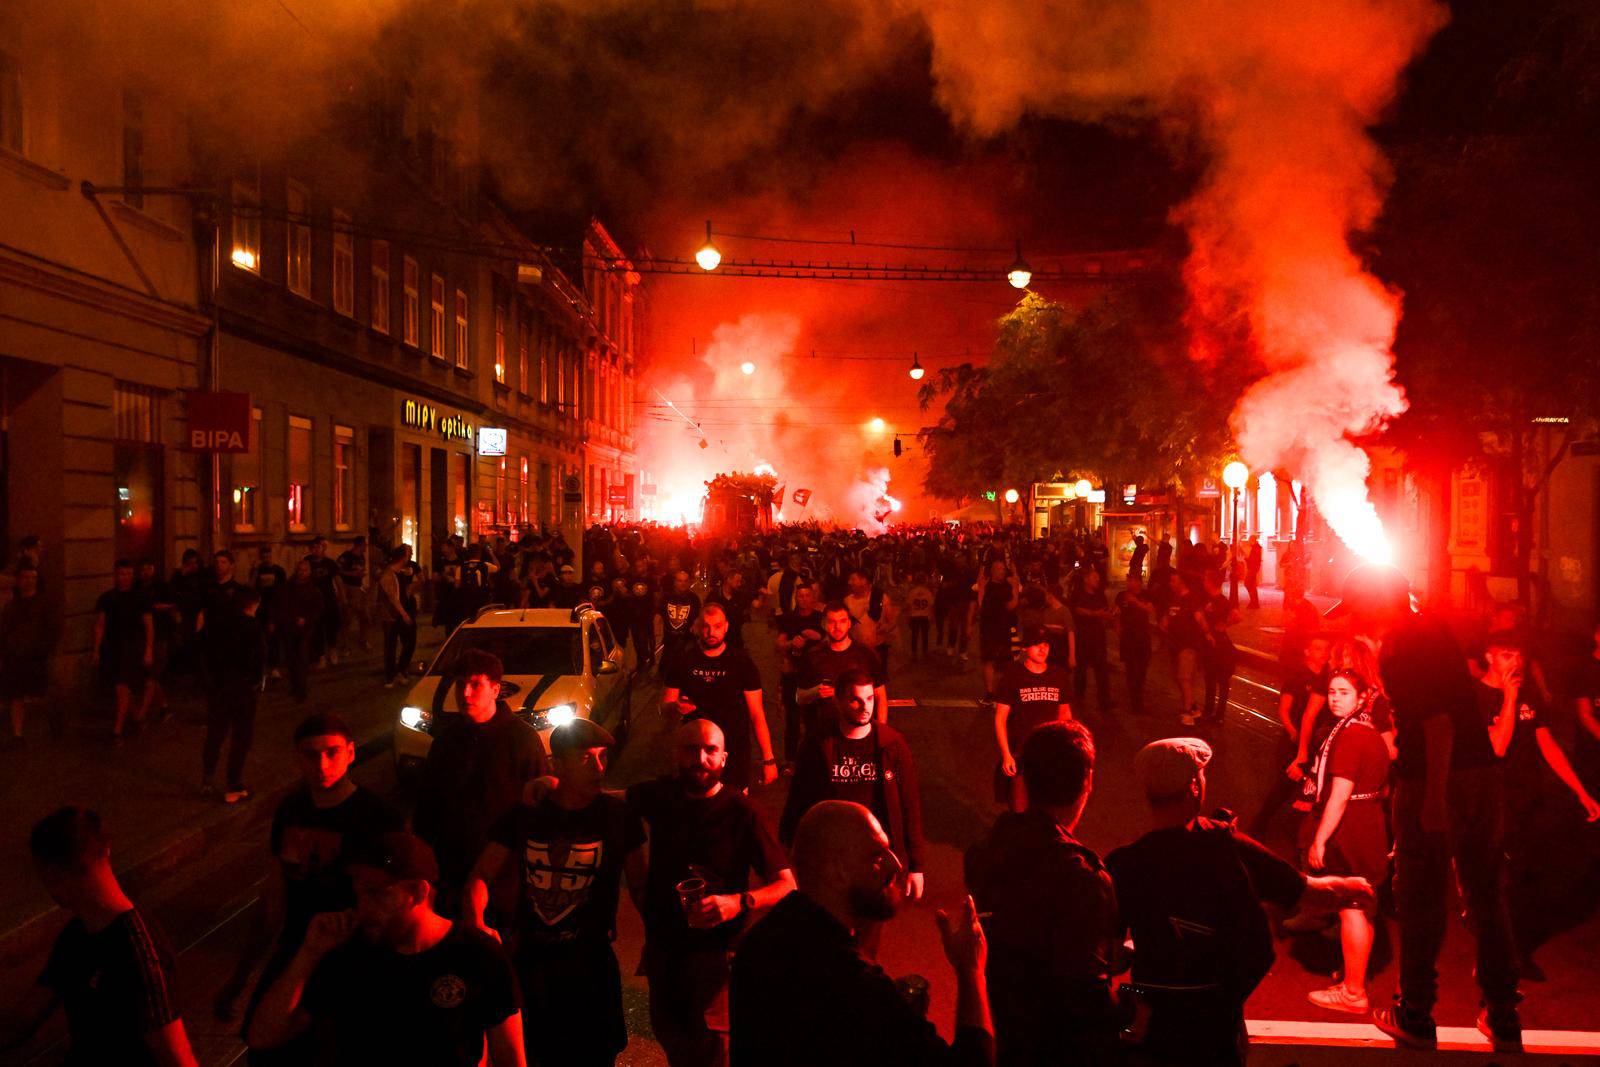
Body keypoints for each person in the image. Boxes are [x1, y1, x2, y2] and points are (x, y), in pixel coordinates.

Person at [1329, 564, 1521, 1052]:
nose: (1358, 623)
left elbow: (1435, 724)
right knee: (1486, 896)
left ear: (1377, 603)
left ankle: (1415, 1012)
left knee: (1419, 900)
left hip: (1437, 780)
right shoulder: (1433, 629)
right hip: (1481, 776)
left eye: (1360, 610)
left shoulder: (1400, 647)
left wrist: (1433, 800)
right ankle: (1502, 1014)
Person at [1107, 738, 1374, 1066]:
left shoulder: (1124, 864)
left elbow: (1111, 955)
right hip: (1217, 1020)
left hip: (1154, 1025)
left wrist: (1147, 942)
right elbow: (1308, 892)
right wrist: (1349, 886)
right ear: (1194, 786)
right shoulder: (1228, 846)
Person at [729, 801, 994, 1067]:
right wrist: (970, 970)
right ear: (837, 873)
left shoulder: (757, 944)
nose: (896, 865)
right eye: (877, 857)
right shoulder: (856, 986)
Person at [214, 714, 402, 1061]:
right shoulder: (291, 810)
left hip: (353, 960)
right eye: (310, 755)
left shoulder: (378, 817)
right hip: (297, 950)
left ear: (350, 753)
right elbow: (273, 899)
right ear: (297, 758)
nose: (322, 764)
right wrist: (240, 977)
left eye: (332, 752)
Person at [246, 832, 525, 1066]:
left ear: (418, 892)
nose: (363, 906)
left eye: (377, 894)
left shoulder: (477, 955)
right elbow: (263, 1036)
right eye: (359, 893)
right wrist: (308, 955)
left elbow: (511, 1058)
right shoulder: (350, 954)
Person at [466, 718, 646, 1067]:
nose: (598, 767)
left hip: (590, 961)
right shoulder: (527, 814)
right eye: (585, 758)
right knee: (537, 1053)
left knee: (595, 1054)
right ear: (557, 764)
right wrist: (476, 922)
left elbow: (639, 885)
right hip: (534, 961)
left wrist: (658, 937)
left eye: (602, 757)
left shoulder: (618, 816)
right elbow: (481, 874)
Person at [627, 720, 796, 1067]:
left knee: (711, 1050)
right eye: (691, 749)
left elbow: (787, 885)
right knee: (671, 1037)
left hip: (716, 954)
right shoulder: (661, 795)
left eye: (710, 750)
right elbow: (607, 799)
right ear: (677, 753)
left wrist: (739, 902)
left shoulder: (742, 811)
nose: (700, 759)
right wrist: (549, 785)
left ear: (724, 758)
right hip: (665, 948)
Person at [966, 721, 1119, 1066]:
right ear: (1087, 782)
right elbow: (1084, 992)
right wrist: (1131, 1008)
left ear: (1026, 779)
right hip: (1057, 1048)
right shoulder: (1083, 877)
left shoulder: (984, 853)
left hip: (1003, 1033)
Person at [5, 807, 198, 1065]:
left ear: (51, 875)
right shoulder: (78, 933)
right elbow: (26, 1017)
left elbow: (177, 1059)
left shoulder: (140, 953)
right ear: (105, 852)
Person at [1475, 630, 1600, 979]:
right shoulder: (1476, 697)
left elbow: (1547, 745)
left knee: (1525, 882)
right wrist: (1509, 700)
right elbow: (1496, 748)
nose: (1514, 663)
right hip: (1493, 803)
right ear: (1489, 657)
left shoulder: (1528, 693)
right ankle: (1493, 957)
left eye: (1518, 656)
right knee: (1498, 883)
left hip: (1528, 801)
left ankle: (1511, 952)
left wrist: (1581, 791)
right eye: (1505, 655)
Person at [414, 649, 551, 909]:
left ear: (495, 689)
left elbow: (537, 810)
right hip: (450, 872)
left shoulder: (521, 740)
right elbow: (427, 805)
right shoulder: (446, 739)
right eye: (460, 684)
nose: (465, 693)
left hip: (503, 876)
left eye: (475, 684)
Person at [780, 668, 927, 906]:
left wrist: (916, 866)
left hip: (876, 857)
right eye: (855, 700)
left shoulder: (892, 744)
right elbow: (798, 798)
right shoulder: (817, 744)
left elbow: (910, 805)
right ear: (838, 701)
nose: (865, 707)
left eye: (869, 698)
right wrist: (787, 851)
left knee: (868, 931)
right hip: (831, 856)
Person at [1301, 669, 1392, 1014]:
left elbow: (1339, 794)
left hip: (1351, 827)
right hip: (1369, 821)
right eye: (1332, 691)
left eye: (1344, 692)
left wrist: (1319, 840)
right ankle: (1354, 978)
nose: (1336, 698)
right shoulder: (1369, 732)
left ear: (1362, 696)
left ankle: (1353, 993)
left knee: (1351, 907)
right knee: (1362, 906)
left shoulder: (1351, 736)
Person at [664, 604, 779, 792]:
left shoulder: (741, 661)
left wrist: (769, 759)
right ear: (697, 627)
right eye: (706, 626)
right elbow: (665, 707)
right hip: (696, 753)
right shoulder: (683, 661)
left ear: (726, 627)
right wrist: (674, 707)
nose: (711, 632)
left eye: (717, 626)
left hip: (734, 752)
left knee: (735, 809)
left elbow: (757, 713)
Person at [1247, 634, 1332, 839]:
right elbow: (1284, 710)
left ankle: (1299, 830)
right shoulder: (1298, 676)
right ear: (1307, 652)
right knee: (1284, 785)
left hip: (1317, 741)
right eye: (1318, 648)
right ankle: (1260, 822)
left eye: (1326, 649)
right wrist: (1293, 731)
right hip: (1295, 740)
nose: (1324, 653)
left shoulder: (1329, 677)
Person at [990, 626, 1073, 812]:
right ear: (1026, 648)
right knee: (1019, 811)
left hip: (1048, 754)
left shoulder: (1058, 675)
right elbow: (1000, 718)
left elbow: (1065, 715)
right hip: (1020, 754)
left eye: (1045, 645)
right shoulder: (1013, 675)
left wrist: (1066, 750)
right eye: (1036, 645)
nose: (1042, 649)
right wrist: (1006, 755)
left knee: (1046, 811)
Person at [202, 587, 266, 803]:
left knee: (216, 733)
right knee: (241, 736)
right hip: (242, 688)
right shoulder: (252, 627)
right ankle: (233, 785)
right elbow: (259, 659)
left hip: (219, 686)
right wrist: (256, 681)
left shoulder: (219, 625)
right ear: (252, 604)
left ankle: (207, 779)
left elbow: (204, 649)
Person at [798, 601, 888, 727]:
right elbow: (800, 697)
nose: (837, 627)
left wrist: (881, 731)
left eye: (842, 621)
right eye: (832, 622)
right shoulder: (813, 656)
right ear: (823, 624)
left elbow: (881, 698)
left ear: (849, 623)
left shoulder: (866, 655)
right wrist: (815, 692)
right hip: (824, 734)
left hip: (858, 732)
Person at [94, 560, 153, 743]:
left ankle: (117, 729)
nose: (124, 578)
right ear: (115, 575)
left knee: (123, 686)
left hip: (133, 646)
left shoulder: (141, 597)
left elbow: (149, 624)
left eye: (128, 574)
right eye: (121, 574)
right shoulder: (107, 598)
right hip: (113, 646)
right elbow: (100, 625)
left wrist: (148, 649)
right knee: (122, 687)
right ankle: (137, 718)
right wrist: (96, 649)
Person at [0, 562, 59, 742]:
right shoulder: (11, 606)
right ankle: (18, 734)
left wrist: (46, 649)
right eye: (25, 577)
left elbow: (52, 629)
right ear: (18, 581)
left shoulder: (44, 603)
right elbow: (3, 631)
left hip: (37, 656)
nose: (29, 581)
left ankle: (55, 720)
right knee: (16, 695)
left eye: (33, 577)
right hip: (15, 656)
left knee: (41, 694)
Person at [774, 582, 825, 762]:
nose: (804, 599)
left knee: (813, 720)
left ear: (813, 597)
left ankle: (813, 757)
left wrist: (817, 636)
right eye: (800, 596)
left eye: (807, 595)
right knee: (793, 720)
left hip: (814, 676)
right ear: (796, 598)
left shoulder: (820, 618)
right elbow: (778, 644)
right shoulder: (789, 618)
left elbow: (831, 641)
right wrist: (791, 643)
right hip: (793, 674)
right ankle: (791, 760)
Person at [274, 558, 324, 703]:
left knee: (302, 659)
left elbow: (318, 608)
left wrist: (307, 619)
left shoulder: (313, 589)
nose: (301, 573)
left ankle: (301, 689)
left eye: (304, 570)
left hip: (305, 630)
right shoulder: (289, 586)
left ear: (309, 572)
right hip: (289, 627)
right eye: (299, 570)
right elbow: (280, 603)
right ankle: (294, 686)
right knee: (291, 659)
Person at [974, 560, 1020, 704]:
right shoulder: (1002, 589)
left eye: (1003, 569)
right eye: (1000, 569)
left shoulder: (989, 586)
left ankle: (993, 692)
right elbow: (1012, 605)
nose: (1003, 572)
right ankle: (995, 692)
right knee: (996, 661)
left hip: (996, 629)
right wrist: (1016, 588)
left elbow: (981, 602)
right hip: (997, 629)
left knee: (996, 661)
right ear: (994, 571)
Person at [1069, 567, 1114, 711]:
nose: (1098, 580)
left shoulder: (1100, 594)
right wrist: (1095, 614)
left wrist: (1109, 616)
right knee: (1081, 667)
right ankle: (1079, 695)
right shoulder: (1077, 594)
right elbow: (1077, 610)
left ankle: (1104, 700)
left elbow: (1105, 611)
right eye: (1095, 577)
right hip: (1082, 635)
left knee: (1101, 668)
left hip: (1098, 635)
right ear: (1086, 579)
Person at [844, 569, 899, 681]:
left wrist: (886, 628)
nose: (849, 582)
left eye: (853, 579)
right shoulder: (847, 601)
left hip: (878, 649)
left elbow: (892, 620)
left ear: (864, 580)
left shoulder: (881, 598)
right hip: (857, 651)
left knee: (878, 681)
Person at [1199, 572, 1238, 725]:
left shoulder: (1221, 601)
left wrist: (1224, 625)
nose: (1204, 581)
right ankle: (1209, 711)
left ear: (1211, 582)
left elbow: (1237, 616)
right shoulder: (1208, 599)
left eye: (1206, 579)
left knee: (1220, 680)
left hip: (1220, 646)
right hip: (1210, 644)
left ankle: (1218, 713)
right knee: (1210, 679)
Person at [1114, 575, 1154, 715]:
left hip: (1142, 637)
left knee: (1142, 669)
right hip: (1128, 637)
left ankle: (1139, 694)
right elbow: (1117, 613)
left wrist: (1136, 602)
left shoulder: (1145, 594)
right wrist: (1118, 629)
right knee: (1131, 669)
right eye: (1127, 580)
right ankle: (1135, 702)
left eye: (1131, 580)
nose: (1128, 583)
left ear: (1138, 582)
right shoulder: (1121, 596)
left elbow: (1150, 610)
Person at [379, 545, 418, 687]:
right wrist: (404, 614)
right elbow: (393, 598)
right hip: (391, 616)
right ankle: (390, 677)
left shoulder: (400, 573)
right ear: (403, 557)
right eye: (409, 554)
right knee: (391, 646)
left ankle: (400, 669)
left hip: (401, 612)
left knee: (410, 641)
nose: (410, 556)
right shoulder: (388, 575)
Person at [303, 536, 343, 667]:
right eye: (313, 547)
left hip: (328, 598)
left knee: (332, 625)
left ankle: (332, 650)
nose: (315, 550)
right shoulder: (307, 561)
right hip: (313, 599)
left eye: (318, 547)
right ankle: (321, 655)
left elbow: (337, 579)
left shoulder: (330, 563)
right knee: (317, 628)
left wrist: (342, 595)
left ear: (323, 548)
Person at [336, 536, 373, 656]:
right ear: (360, 545)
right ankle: (344, 646)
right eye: (365, 545)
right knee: (347, 619)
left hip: (359, 588)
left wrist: (361, 575)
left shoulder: (361, 557)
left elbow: (362, 569)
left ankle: (363, 640)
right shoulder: (346, 557)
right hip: (349, 589)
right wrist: (351, 574)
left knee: (366, 616)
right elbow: (337, 570)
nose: (366, 548)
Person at [906, 572, 935, 663]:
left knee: (914, 635)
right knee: (925, 635)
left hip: (914, 616)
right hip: (924, 616)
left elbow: (909, 605)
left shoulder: (912, 592)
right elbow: (931, 605)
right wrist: (932, 616)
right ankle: (924, 652)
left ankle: (914, 653)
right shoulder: (928, 592)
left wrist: (908, 617)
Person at [1243, 537, 1263, 609]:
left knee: (1247, 584)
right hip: (1253, 569)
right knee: (1252, 585)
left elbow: (1253, 560)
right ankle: (1254, 602)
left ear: (1252, 540)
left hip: (1252, 569)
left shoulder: (1255, 548)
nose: (1249, 542)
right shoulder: (1256, 548)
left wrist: (1246, 558)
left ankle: (1253, 602)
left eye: (1249, 541)